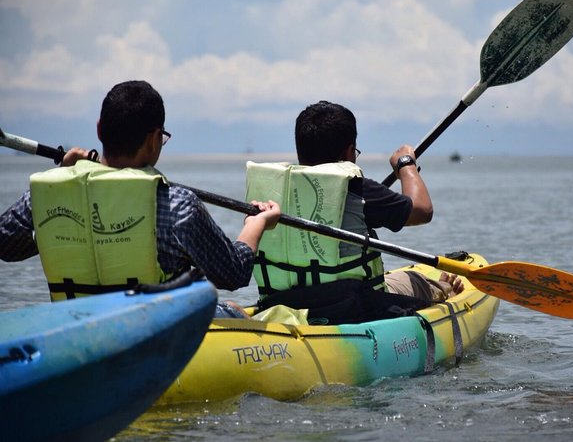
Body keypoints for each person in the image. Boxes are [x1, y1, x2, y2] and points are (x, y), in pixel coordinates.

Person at [0, 80, 280, 318]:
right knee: (233, 308)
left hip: (76, 325)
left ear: (99, 130)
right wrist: (255, 224)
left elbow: (7, 247)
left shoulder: (47, 195)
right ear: (155, 138)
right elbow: (233, 275)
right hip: (157, 330)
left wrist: (62, 176)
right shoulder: (178, 204)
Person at [245, 100, 462, 322]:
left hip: (283, 303)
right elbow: (422, 210)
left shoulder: (273, 194)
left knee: (399, 278)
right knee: (415, 280)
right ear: (349, 152)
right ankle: (447, 291)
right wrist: (406, 165)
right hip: (356, 306)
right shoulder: (358, 188)